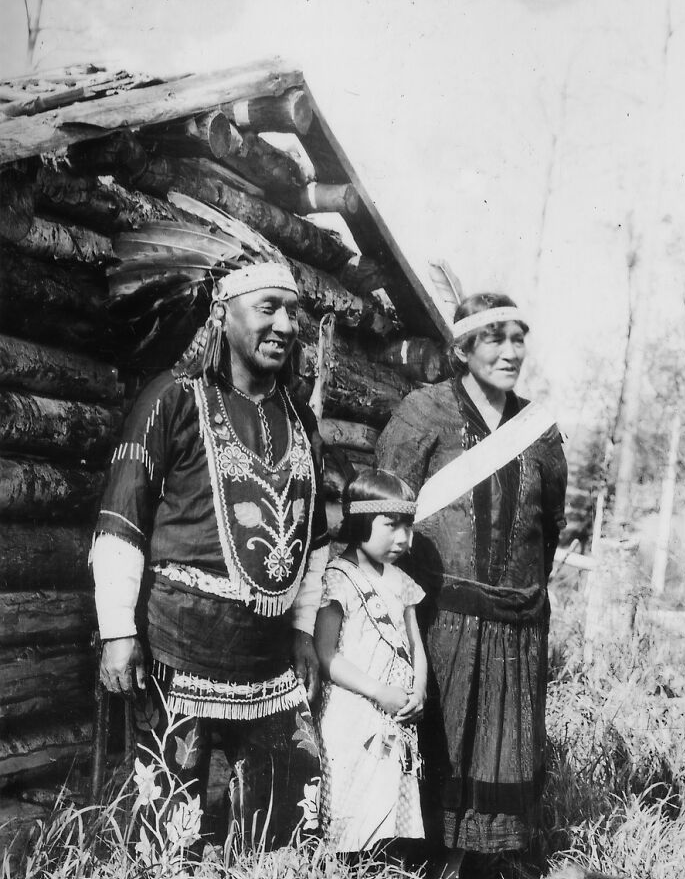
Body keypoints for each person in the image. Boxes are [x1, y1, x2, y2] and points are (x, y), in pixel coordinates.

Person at [92, 260, 330, 849]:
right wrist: (118, 632)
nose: (284, 324)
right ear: (222, 316)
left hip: (270, 658)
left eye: (292, 311)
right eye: (267, 308)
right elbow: (123, 519)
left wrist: (302, 629)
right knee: (168, 830)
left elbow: (315, 540)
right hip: (181, 645)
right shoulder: (171, 399)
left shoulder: (299, 419)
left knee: (289, 819)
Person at [375, 293, 567, 878]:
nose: (511, 353)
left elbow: (549, 529)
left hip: (516, 630)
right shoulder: (423, 413)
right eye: (495, 339)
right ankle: (428, 862)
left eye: (518, 339)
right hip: (441, 625)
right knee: (442, 751)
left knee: (502, 754)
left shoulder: (539, 429)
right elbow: (381, 506)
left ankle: (490, 863)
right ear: (462, 348)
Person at [314, 469, 428, 856]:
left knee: (385, 810)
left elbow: (415, 644)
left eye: (408, 526)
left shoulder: (402, 581)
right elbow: (326, 655)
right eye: (391, 524)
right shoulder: (338, 578)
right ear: (361, 521)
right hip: (351, 712)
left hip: (395, 714)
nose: (403, 537)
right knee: (350, 809)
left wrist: (419, 691)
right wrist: (377, 690)